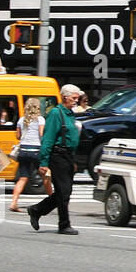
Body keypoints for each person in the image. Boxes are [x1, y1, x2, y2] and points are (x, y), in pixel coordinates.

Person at [28, 85, 84, 235]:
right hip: (57, 156)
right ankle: (64, 224)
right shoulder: (55, 113)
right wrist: (44, 162)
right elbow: (48, 138)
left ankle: (36, 210)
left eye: (77, 98)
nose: (76, 101)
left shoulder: (70, 114)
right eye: (74, 98)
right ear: (65, 97)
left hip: (67, 157)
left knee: (63, 192)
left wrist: (73, 161)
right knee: (64, 192)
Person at [9, 97, 52, 212]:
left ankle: (13, 203)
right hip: (36, 151)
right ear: (37, 108)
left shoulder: (21, 120)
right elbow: (42, 134)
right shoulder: (40, 120)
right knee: (46, 176)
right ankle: (53, 201)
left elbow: (18, 136)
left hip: (23, 151)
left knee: (23, 178)